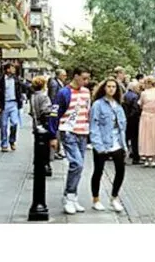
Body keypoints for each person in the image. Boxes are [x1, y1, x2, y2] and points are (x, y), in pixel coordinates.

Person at [53, 66, 92, 215]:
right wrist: (53, 134)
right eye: (83, 78)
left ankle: (72, 195)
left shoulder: (86, 92)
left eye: (87, 78)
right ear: (75, 76)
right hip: (68, 131)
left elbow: (87, 111)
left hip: (83, 131)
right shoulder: (64, 92)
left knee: (79, 167)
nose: (86, 81)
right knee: (77, 163)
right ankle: (69, 196)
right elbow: (55, 113)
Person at [89, 78, 126, 213]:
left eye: (114, 87)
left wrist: (124, 145)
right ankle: (96, 199)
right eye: (109, 86)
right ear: (104, 88)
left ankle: (114, 197)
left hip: (117, 142)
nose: (111, 89)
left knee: (120, 170)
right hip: (103, 142)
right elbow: (94, 125)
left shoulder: (118, 106)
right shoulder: (98, 105)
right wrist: (98, 145)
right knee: (98, 171)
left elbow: (122, 127)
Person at [0, 62, 24, 152]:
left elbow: (20, 90)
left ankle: (12, 140)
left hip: (14, 104)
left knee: (14, 123)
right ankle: (4, 144)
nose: (14, 70)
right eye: (12, 68)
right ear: (7, 69)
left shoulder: (16, 79)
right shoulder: (1, 80)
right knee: (3, 125)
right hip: (4, 105)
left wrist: (20, 102)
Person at [138, 76, 155, 168]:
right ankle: (154, 158)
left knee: (145, 136)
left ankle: (146, 157)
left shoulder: (144, 93)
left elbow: (140, 104)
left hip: (145, 116)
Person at [31, 76, 54, 176]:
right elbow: (46, 111)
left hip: (36, 124)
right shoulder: (44, 97)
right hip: (44, 124)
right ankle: (45, 165)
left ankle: (37, 164)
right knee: (45, 146)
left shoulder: (33, 96)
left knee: (37, 145)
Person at [47, 69, 67, 159]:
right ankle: (55, 152)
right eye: (64, 75)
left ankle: (57, 150)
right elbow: (53, 97)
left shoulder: (58, 83)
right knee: (56, 131)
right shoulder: (55, 84)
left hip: (59, 110)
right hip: (57, 110)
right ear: (59, 75)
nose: (65, 77)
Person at [123, 81, 142, 165]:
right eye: (138, 87)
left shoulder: (124, 95)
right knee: (134, 139)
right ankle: (135, 157)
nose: (139, 89)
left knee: (125, 138)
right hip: (133, 120)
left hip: (125, 119)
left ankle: (123, 156)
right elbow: (135, 109)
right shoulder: (135, 96)